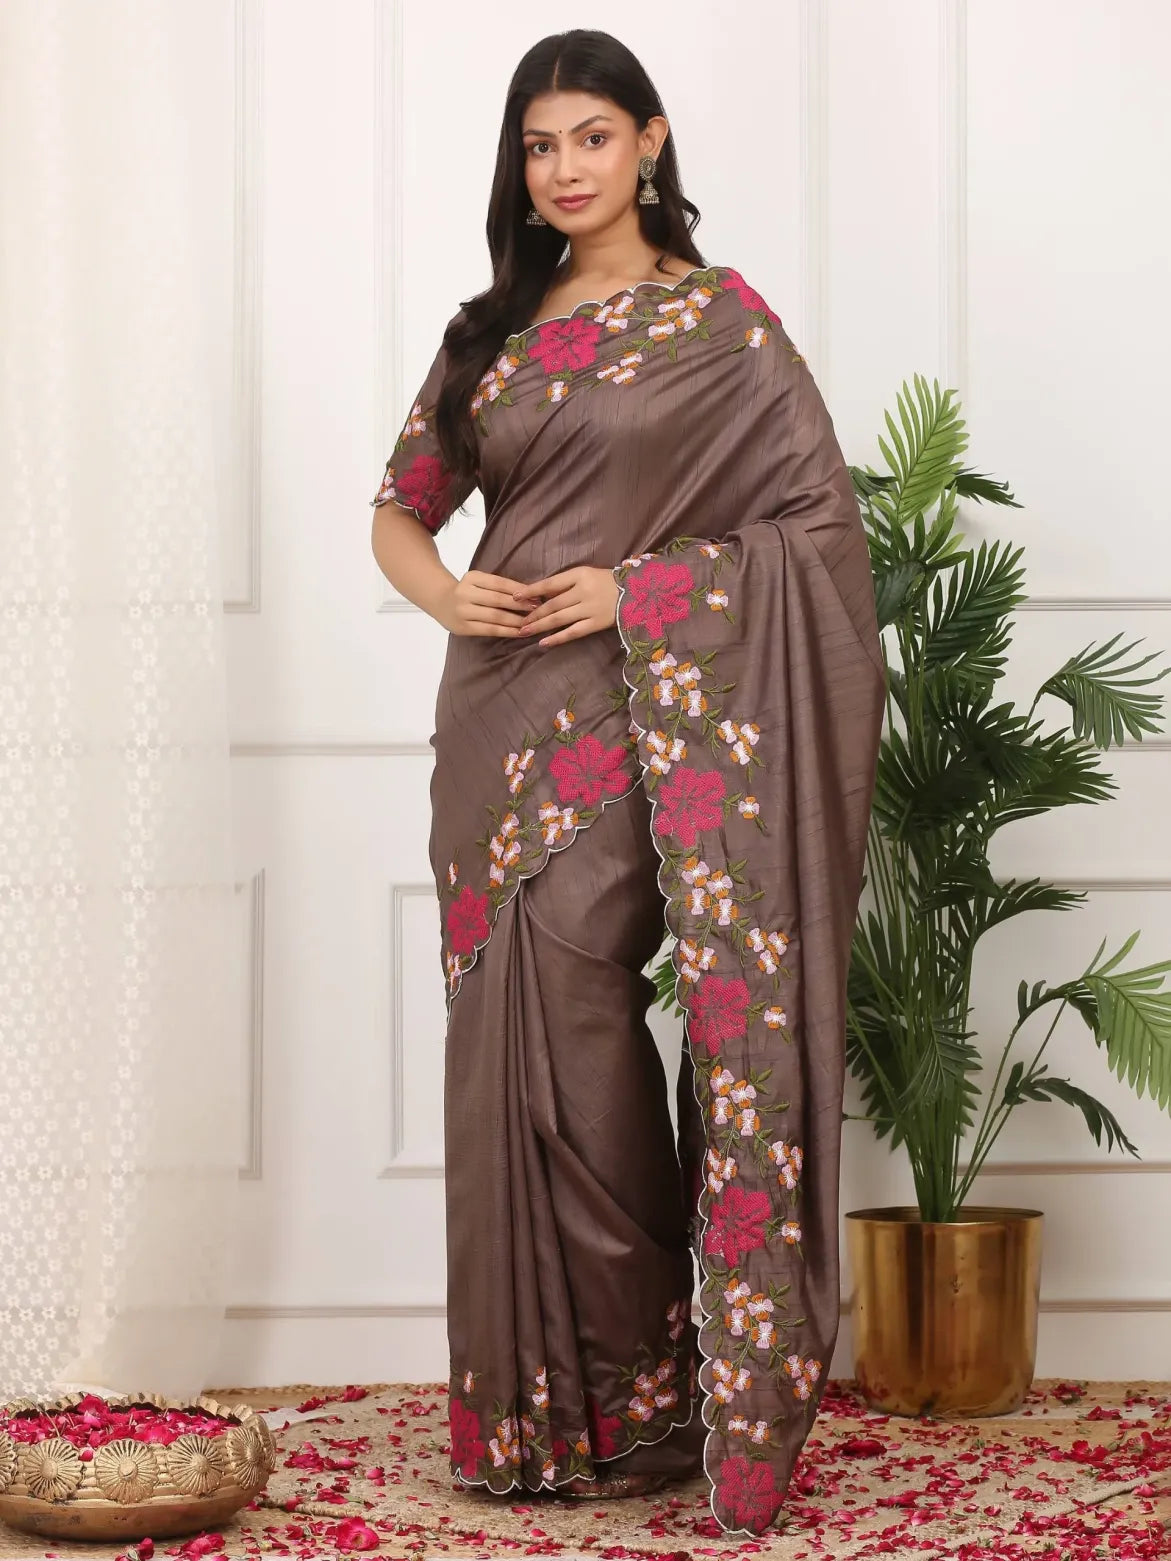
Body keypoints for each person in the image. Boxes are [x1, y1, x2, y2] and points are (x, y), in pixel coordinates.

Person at [369, 27, 885, 1538]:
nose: (564, 169)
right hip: (493, 727)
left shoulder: (722, 327)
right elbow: (400, 508)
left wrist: (643, 591)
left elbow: (822, 539)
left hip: (635, 718)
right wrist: (449, 596)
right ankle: (544, 1416)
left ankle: (651, 1394)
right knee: (508, 1049)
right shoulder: (490, 332)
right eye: (540, 146)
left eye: (591, 137)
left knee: (585, 1026)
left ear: (650, 142)